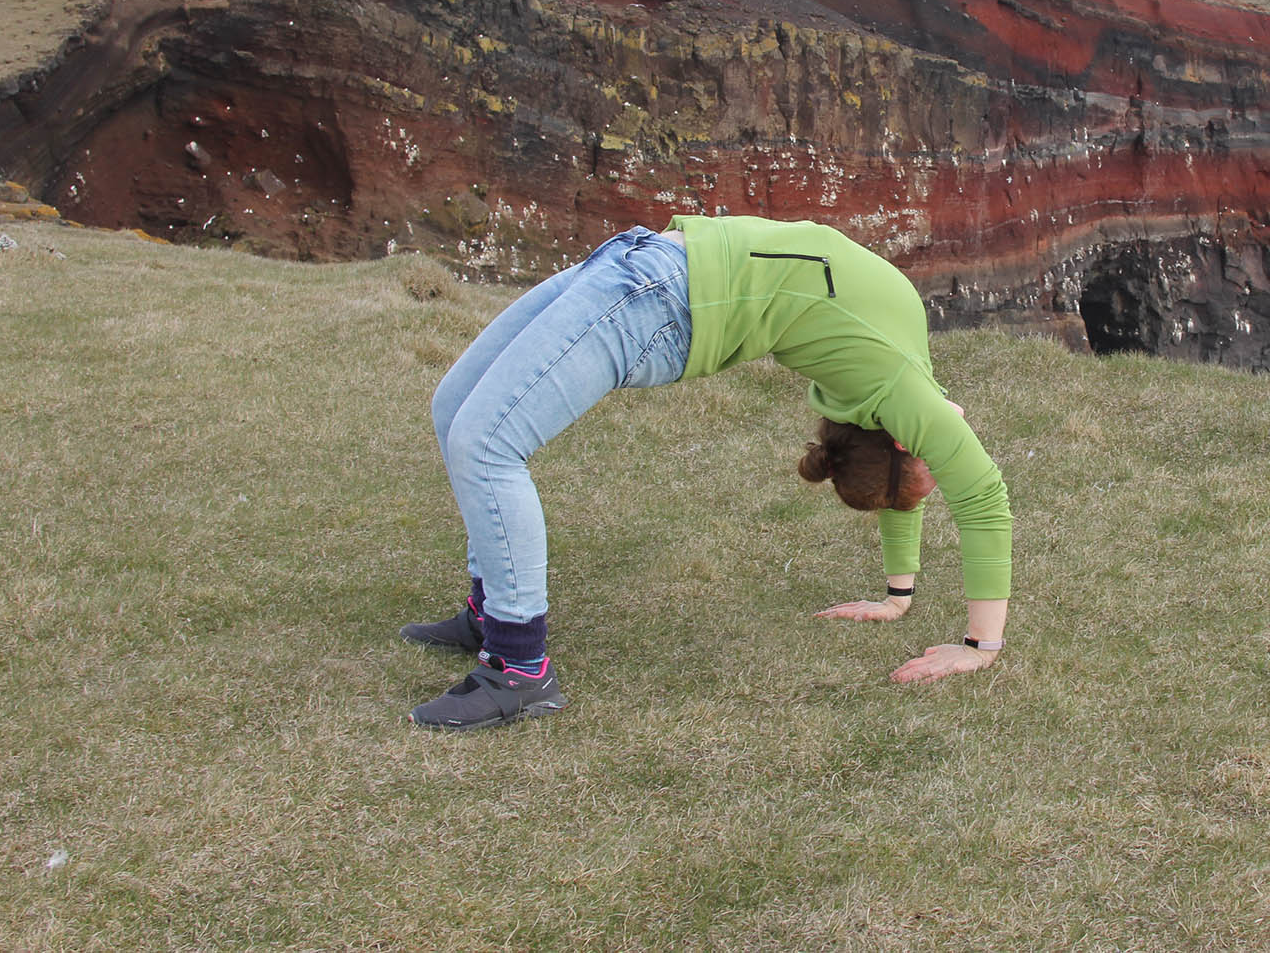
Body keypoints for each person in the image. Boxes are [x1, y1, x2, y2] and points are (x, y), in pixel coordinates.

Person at [400, 215, 1012, 731]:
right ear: (903, 438)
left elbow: (933, 491)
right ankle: (491, 613)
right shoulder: (905, 389)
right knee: (454, 411)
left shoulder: (896, 393)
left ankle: (518, 668)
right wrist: (926, 614)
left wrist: (918, 611)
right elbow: (970, 495)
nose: (953, 452)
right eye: (936, 463)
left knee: (487, 445)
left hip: (656, 300)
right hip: (644, 260)